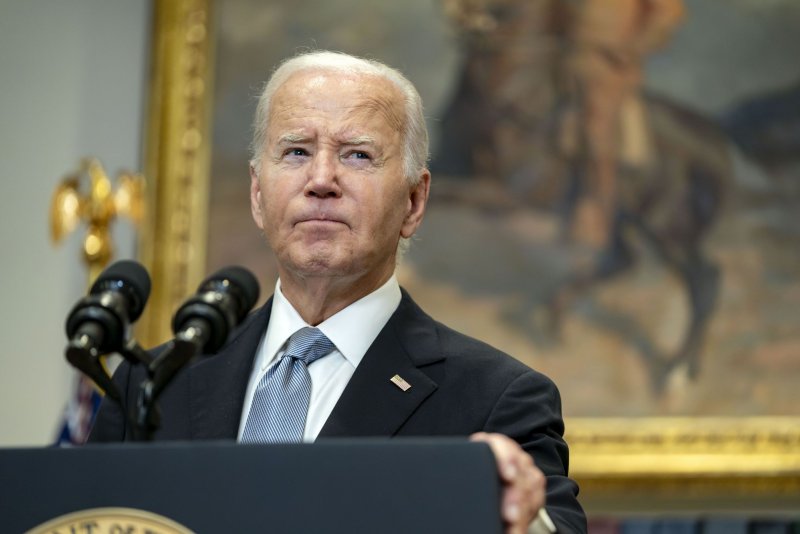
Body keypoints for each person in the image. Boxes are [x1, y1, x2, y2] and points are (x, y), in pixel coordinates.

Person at [89, 50, 586, 533]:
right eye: (296, 151)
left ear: (414, 202)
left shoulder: (496, 399)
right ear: (258, 195)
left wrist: (525, 520)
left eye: (358, 155)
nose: (321, 180)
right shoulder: (150, 385)